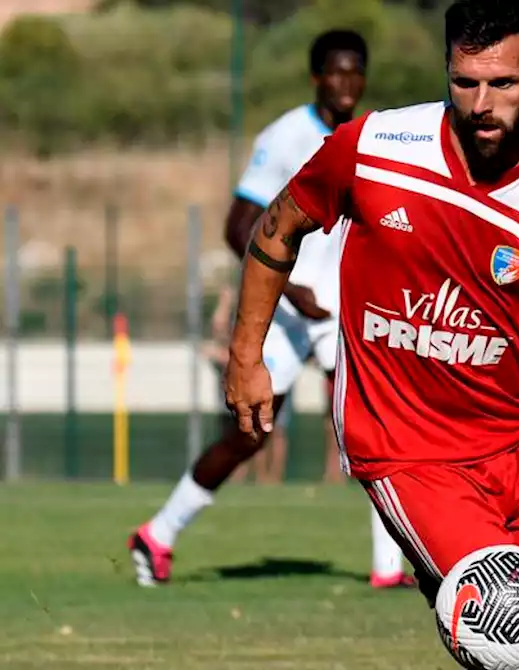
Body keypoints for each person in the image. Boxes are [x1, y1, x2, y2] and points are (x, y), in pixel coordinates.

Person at [222, 0, 519, 660]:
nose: (481, 103)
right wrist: (246, 354)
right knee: (503, 620)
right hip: (404, 443)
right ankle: (459, 600)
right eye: (464, 82)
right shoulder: (372, 148)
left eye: (503, 83)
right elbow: (275, 230)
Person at [129, 29, 411, 590]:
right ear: (316, 77)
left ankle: (388, 569)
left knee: (379, 427)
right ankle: (157, 535)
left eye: (356, 71)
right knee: (247, 436)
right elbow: (240, 227)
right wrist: (288, 291)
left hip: (343, 310)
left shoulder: (376, 136)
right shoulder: (286, 136)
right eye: (336, 71)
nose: (347, 82)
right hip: (284, 313)